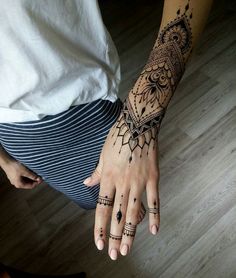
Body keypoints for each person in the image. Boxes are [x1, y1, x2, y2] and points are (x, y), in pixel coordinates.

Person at [0, 0, 213, 265]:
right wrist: (4, 159)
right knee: (92, 196)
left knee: (118, 197)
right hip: (14, 134)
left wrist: (140, 116)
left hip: (83, 105)